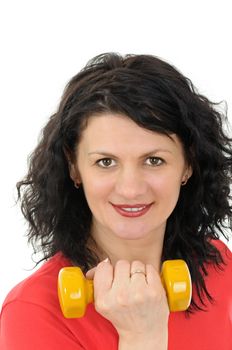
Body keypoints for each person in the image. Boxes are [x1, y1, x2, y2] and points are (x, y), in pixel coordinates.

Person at [0, 53, 231, 350]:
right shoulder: (32, 311)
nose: (131, 189)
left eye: (154, 160)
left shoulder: (219, 266)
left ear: (188, 165)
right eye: (106, 162)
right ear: (74, 167)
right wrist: (141, 336)